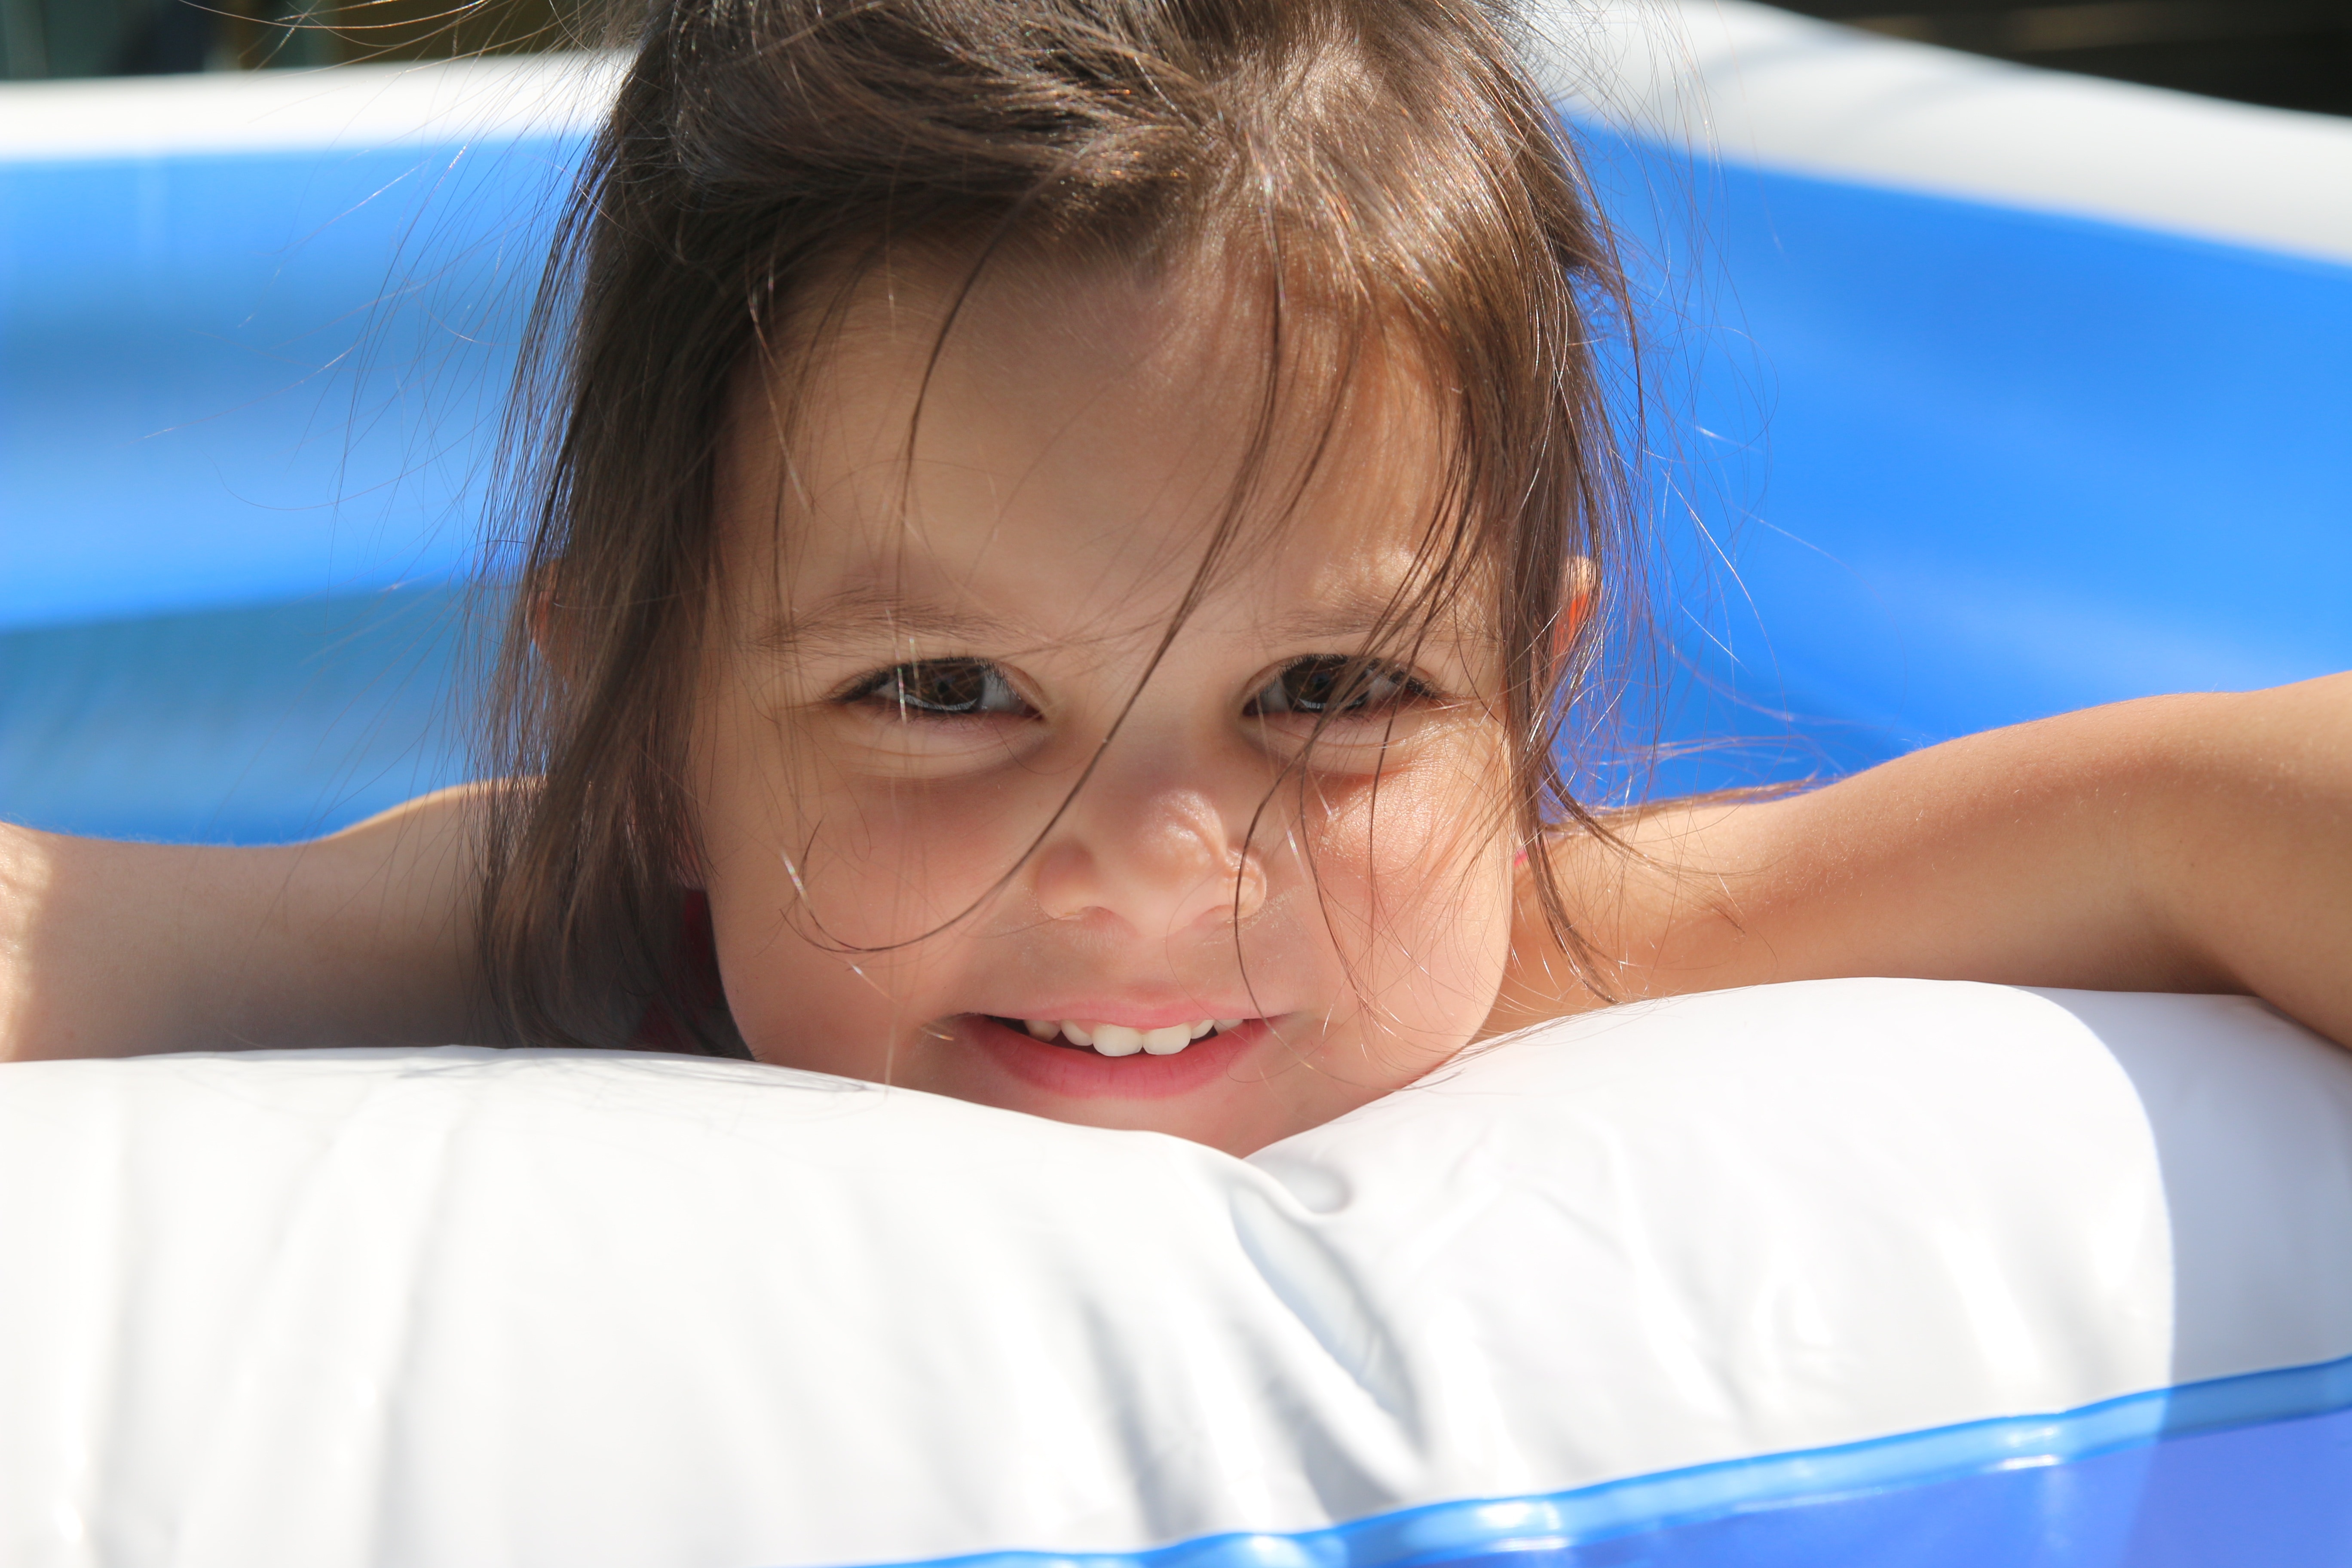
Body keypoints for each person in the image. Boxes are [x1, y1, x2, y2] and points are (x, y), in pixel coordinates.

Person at [1, 0, 2346, 1157]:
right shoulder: (574, 927)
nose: (1153, 871)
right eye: (940, 688)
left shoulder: (1542, 946)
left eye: (1333, 685)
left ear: (1537, 687)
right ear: (639, 703)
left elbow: (2192, 807)